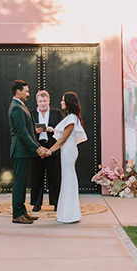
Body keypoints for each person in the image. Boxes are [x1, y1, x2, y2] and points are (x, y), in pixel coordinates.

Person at [8, 80, 49, 224]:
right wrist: (37, 148)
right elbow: (22, 133)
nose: (28, 94)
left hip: (25, 151)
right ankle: (17, 214)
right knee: (19, 184)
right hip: (20, 151)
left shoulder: (20, 106)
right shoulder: (16, 108)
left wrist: (38, 146)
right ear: (18, 91)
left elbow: (30, 131)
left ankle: (22, 212)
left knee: (23, 183)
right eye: (26, 91)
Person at [48, 92, 86, 224]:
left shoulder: (71, 118)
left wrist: (50, 150)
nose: (61, 102)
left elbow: (63, 138)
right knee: (67, 178)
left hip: (69, 151)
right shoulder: (71, 117)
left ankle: (70, 214)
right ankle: (66, 213)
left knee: (69, 178)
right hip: (67, 151)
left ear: (69, 102)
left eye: (63, 100)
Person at [30, 89, 63, 212]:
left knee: (54, 176)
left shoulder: (57, 113)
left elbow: (64, 129)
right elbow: (27, 131)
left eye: (45, 101)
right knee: (36, 176)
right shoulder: (31, 113)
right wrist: (35, 131)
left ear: (49, 101)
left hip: (52, 148)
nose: (43, 103)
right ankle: (36, 204)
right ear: (37, 102)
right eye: (40, 101)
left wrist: (53, 129)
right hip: (37, 148)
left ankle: (56, 203)